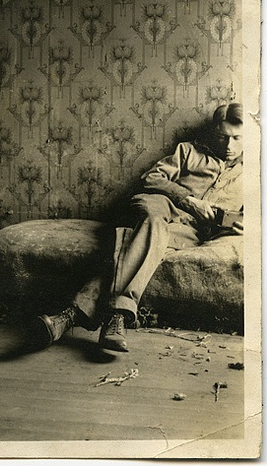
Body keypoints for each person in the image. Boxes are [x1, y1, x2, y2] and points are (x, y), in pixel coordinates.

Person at [32, 102, 243, 353]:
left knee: (139, 245)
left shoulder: (253, 172)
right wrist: (189, 201)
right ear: (214, 132)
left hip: (191, 229)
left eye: (237, 138)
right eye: (222, 137)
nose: (229, 146)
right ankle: (119, 313)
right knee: (151, 225)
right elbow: (151, 178)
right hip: (159, 205)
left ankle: (69, 316)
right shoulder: (188, 151)